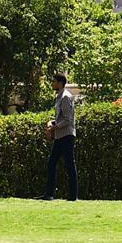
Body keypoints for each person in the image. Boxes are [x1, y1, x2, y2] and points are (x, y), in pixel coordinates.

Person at [40, 73, 78, 201]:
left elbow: (68, 120)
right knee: (51, 164)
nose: (52, 84)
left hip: (66, 136)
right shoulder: (59, 97)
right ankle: (49, 194)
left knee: (69, 165)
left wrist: (53, 128)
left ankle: (73, 196)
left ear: (60, 83)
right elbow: (61, 118)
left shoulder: (66, 97)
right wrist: (52, 122)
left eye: (54, 81)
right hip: (59, 136)